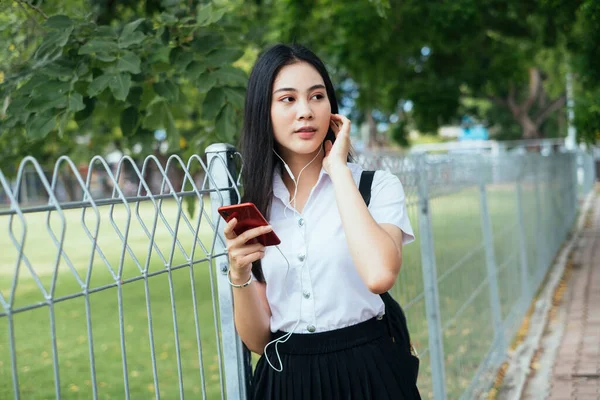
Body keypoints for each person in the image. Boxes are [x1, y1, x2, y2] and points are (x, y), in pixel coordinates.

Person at [222, 43, 421, 400]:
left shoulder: (375, 187)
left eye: (317, 96)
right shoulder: (254, 206)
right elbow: (257, 341)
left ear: (332, 109)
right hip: (286, 378)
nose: (305, 112)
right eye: (287, 99)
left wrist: (338, 170)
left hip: (369, 369)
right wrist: (238, 276)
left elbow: (379, 275)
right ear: (262, 112)